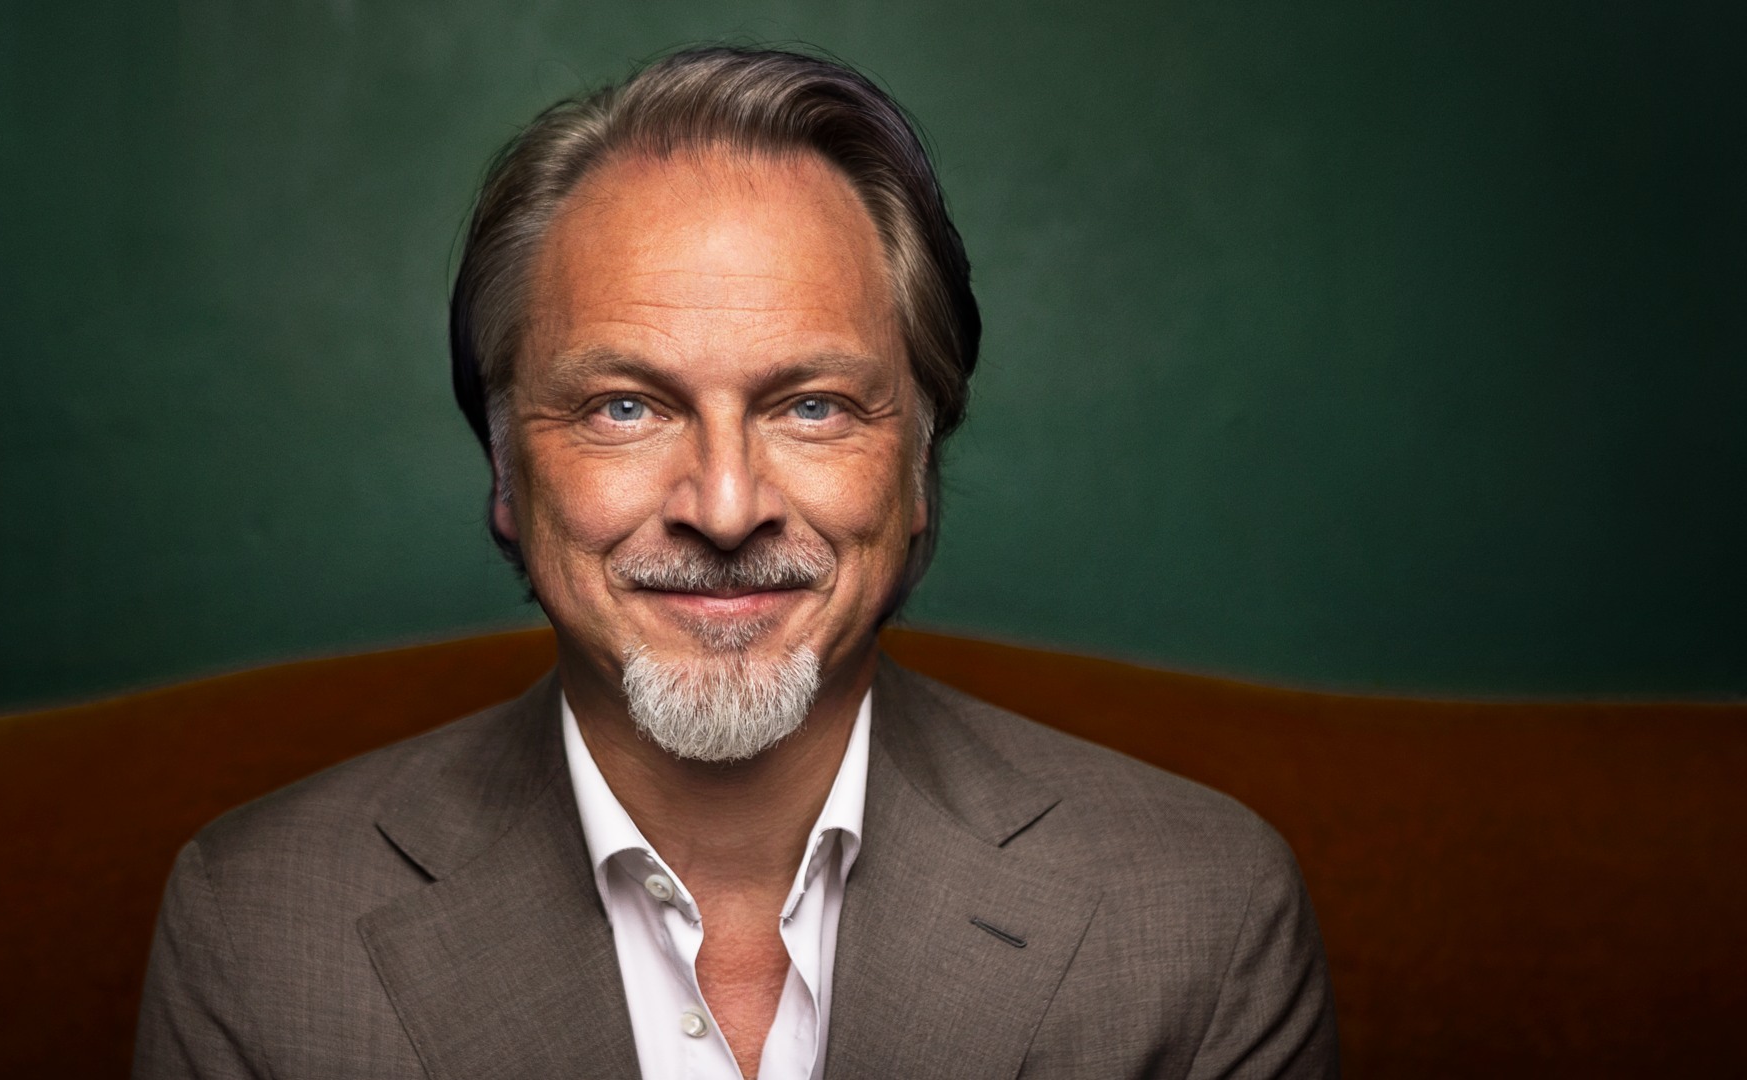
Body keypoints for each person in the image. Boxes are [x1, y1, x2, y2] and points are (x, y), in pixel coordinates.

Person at [133, 45, 1337, 1080]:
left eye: (812, 407)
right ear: (506, 472)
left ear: (917, 470)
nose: (723, 506)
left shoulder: (1201, 917)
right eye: (623, 408)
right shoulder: (263, 927)